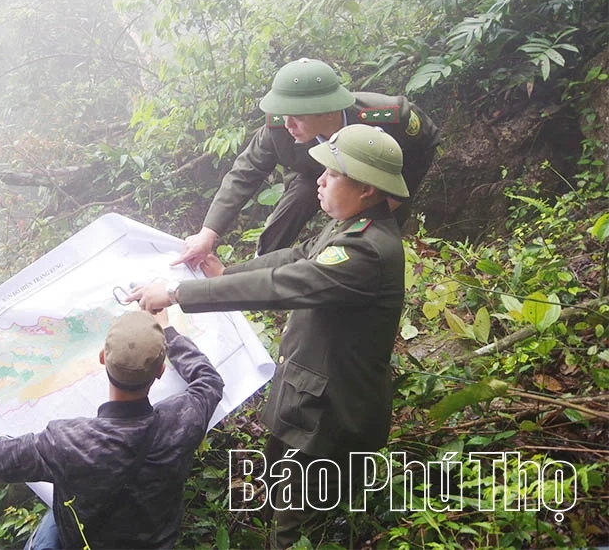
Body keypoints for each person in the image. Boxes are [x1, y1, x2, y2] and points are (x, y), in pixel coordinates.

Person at [129, 124, 408, 549]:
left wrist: (176, 293)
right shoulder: (351, 227)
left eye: (331, 175)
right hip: (307, 397)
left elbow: (283, 284)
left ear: (366, 189)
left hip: (331, 417)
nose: (319, 180)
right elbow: (296, 257)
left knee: (294, 527)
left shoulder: (366, 251)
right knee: (279, 486)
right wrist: (228, 273)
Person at [0, 310, 224, 549]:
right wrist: (167, 329)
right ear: (160, 370)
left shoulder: (67, 442)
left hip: (83, 539)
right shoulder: (183, 419)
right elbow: (209, 381)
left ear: (101, 358)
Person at [174, 57, 439, 267]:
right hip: (312, 172)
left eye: (297, 117)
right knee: (292, 206)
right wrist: (208, 233)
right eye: (283, 115)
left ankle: (364, 272)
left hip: (372, 178)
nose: (287, 124)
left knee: (379, 226)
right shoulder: (279, 128)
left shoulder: (387, 117)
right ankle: (262, 271)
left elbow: (425, 143)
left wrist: (398, 193)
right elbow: (245, 173)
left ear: (327, 112)